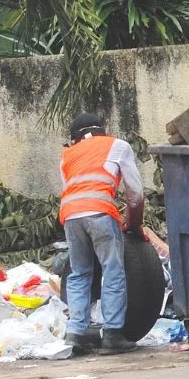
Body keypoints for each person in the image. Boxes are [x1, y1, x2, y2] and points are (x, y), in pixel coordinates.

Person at [59, 113, 145, 355]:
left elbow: (68, 189)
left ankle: (75, 332)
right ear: (101, 130)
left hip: (71, 216)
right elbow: (135, 194)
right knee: (113, 271)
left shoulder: (67, 155)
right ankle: (112, 334)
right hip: (100, 213)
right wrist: (134, 225)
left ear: (75, 137)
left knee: (78, 273)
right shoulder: (118, 146)